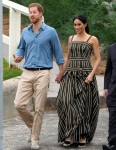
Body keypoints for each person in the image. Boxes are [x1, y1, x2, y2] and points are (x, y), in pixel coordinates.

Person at [13, 3, 64, 149]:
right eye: (30, 13)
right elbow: (21, 48)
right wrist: (18, 57)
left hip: (43, 72)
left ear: (41, 13)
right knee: (19, 104)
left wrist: (61, 72)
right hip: (27, 72)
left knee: (39, 107)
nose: (31, 15)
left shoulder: (50, 31)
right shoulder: (25, 32)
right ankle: (32, 127)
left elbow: (58, 54)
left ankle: (35, 138)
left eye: (34, 12)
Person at [56, 15, 101, 147]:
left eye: (79, 24)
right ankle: (68, 134)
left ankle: (82, 135)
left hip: (85, 75)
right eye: (75, 25)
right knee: (65, 102)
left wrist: (92, 74)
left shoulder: (92, 39)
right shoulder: (71, 38)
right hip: (70, 74)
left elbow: (98, 59)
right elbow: (68, 58)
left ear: (85, 24)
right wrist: (60, 74)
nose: (76, 27)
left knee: (84, 105)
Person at [102, 43, 116, 150]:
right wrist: (106, 87)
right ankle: (113, 143)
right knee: (113, 116)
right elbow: (109, 70)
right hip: (113, 88)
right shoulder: (112, 47)